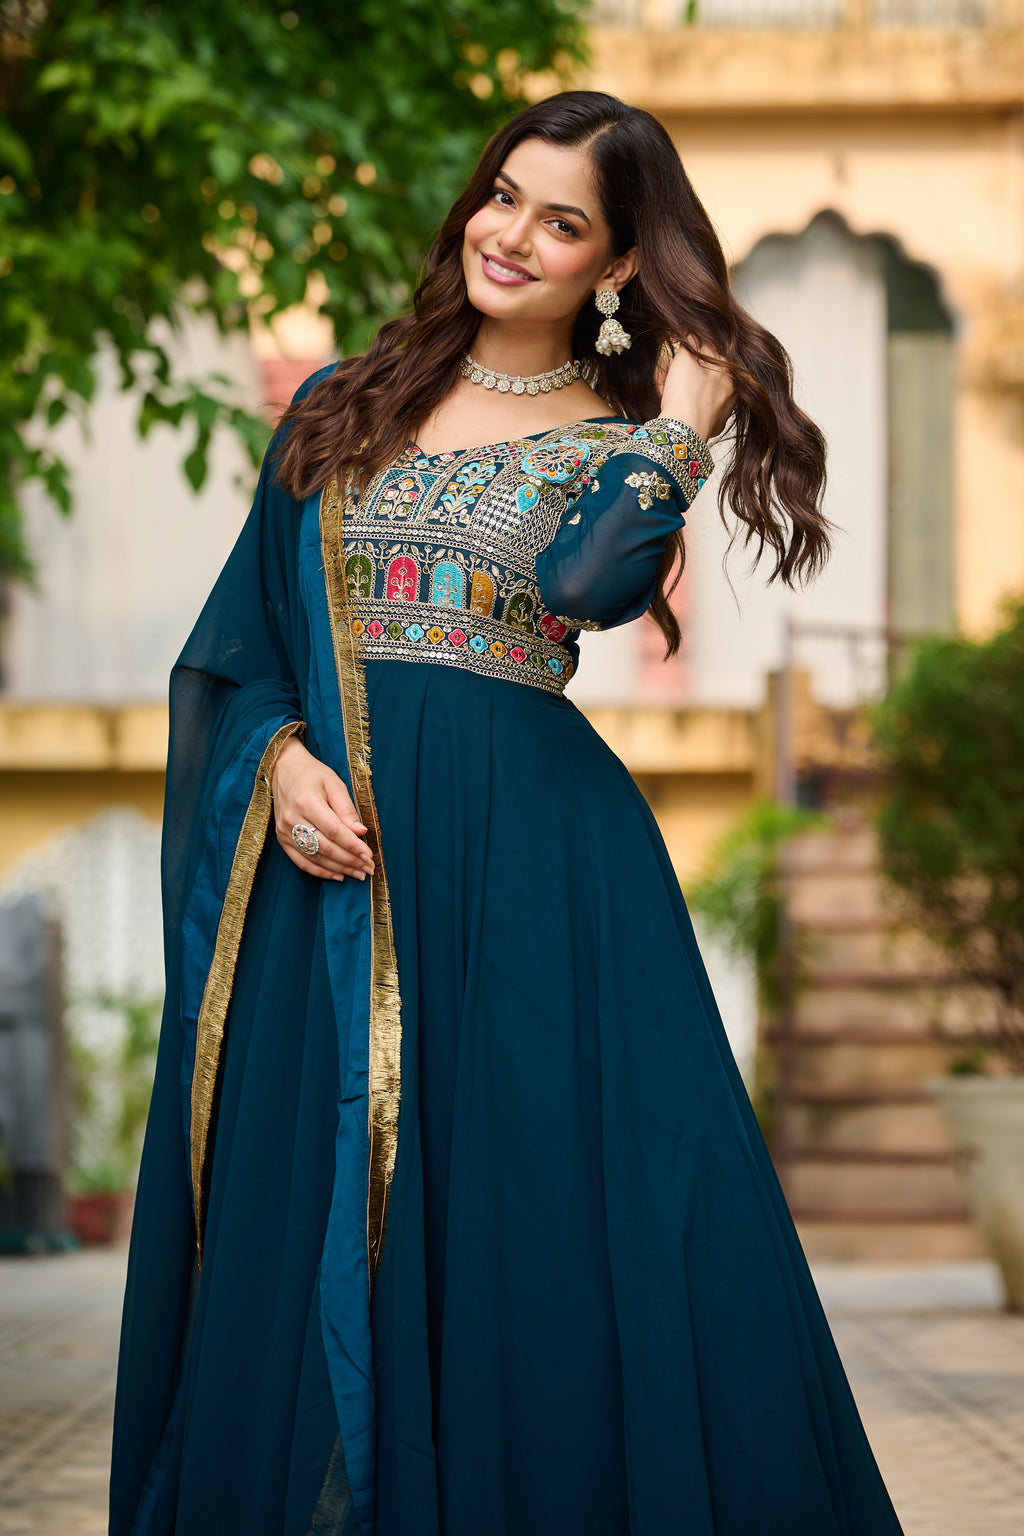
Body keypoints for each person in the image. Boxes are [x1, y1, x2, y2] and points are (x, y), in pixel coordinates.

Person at [110, 90, 904, 1536]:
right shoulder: (339, 401)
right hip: (333, 867)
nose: (511, 235)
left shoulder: (620, 432)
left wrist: (681, 423)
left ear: (615, 264)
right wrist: (278, 759)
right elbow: (236, 648)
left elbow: (592, 593)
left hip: (533, 876)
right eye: (502, 195)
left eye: (563, 220)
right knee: (321, 1217)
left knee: (541, 1226)